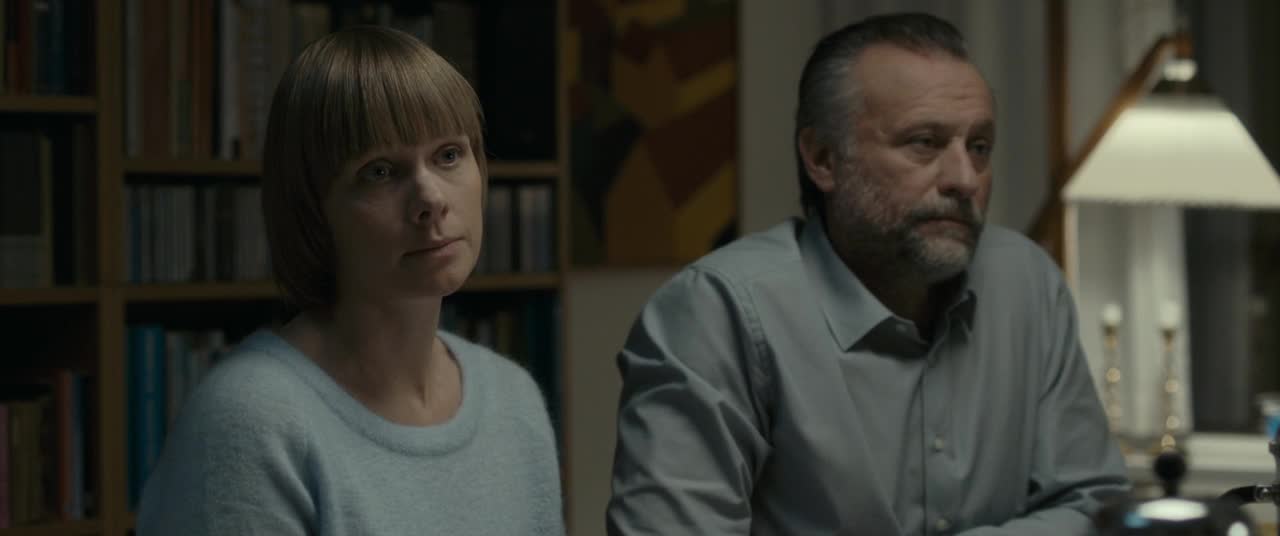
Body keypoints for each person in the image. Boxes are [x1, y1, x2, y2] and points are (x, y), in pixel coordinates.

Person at [607, 12, 1129, 535]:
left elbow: (1094, 507)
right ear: (823, 159)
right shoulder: (718, 312)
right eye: (924, 142)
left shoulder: (1027, 282)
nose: (965, 179)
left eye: (979, 147)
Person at [137, 26, 565, 535]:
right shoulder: (250, 422)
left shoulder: (514, 400)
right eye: (379, 171)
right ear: (313, 210)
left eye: (449, 155)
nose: (431, 199)